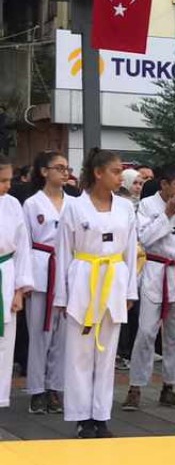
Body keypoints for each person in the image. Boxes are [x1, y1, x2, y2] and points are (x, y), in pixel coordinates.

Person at [54, 149, 138, 438]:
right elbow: (63, 253)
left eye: (121, 171)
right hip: (83, 277)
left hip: (114, 278)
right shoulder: (75, 207)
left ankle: (101, 415)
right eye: (115, 171)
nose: (120, 177)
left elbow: (131, 251)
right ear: (98, 173)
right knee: (79, 353)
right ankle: (81, 417)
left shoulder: (125, 207)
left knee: (107, 353)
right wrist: (62, 296)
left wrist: (130, 291)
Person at [121, 165, 175, 412]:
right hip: (155, 271)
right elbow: (144, 239)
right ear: (164, 184)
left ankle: (170, 386)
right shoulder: (147, 205)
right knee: (146, 331)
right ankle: (135, 386)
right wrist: (167, 214)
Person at [24, 151, 69, 414]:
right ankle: (36, 390)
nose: (65, 172)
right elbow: (24, 243)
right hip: (41, 270)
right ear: (44, 172)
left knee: (62, 337)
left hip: (67, 270)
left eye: (67, 168)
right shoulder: (32, 204)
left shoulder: (74, 203)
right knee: (40, 334)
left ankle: (55, 388)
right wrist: (25, 279)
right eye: (59, 168)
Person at [0, 157, 32, 410]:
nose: (8, 186)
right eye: (2, 180)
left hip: (7, 273)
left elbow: (22, 247)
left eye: (9, 180)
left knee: (4, 342)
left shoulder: (12, 205)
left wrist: (19, 290)